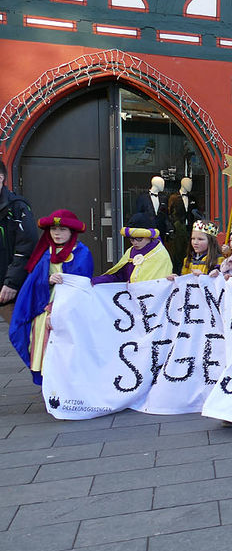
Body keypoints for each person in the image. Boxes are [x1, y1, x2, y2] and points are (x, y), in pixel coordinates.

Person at [9, 210, 93, 385]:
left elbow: (81, 287)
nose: (57, 233)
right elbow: (31, 283)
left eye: (62, 229)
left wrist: (56, 310)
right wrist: (46, 280)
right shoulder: (45, 252)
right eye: (53, 229)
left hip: (68, 310)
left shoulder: (82, 253)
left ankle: (69, 386)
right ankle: (50, 386)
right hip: (42, 307)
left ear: (71, 232)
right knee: (42, 346)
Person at [0, 162, 39, 316]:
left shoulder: (17, 207)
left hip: (8, 292)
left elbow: (26, 248)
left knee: (18, 337)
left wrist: (11, 283)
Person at [92, 213, 173, 284]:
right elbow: (120, 276)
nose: (134, 242)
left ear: (149, 237)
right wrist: (96, 281)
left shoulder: (161, 255)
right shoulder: (131, 251)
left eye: (139, 238)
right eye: (131, 239)